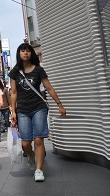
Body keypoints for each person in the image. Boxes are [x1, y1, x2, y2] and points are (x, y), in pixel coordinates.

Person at [9, 42, 66, 182]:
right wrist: (13, 111)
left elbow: (49, 88)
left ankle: (39, 170)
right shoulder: (15, 72)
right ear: (19, 53)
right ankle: (30, 155)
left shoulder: (39, 70)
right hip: (22, 110)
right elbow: (14, 93)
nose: (25, 53)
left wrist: (59, 104)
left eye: (28, 50)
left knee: (38, 139)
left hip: (38, 107)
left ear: (31, 53)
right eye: (22, 51)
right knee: (26, 143)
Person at [0, 77, 11, 142]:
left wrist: (10, 106)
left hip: (5, 107)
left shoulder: (5, 89)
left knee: (7, 121)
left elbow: (8, 98)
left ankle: (10, 134)